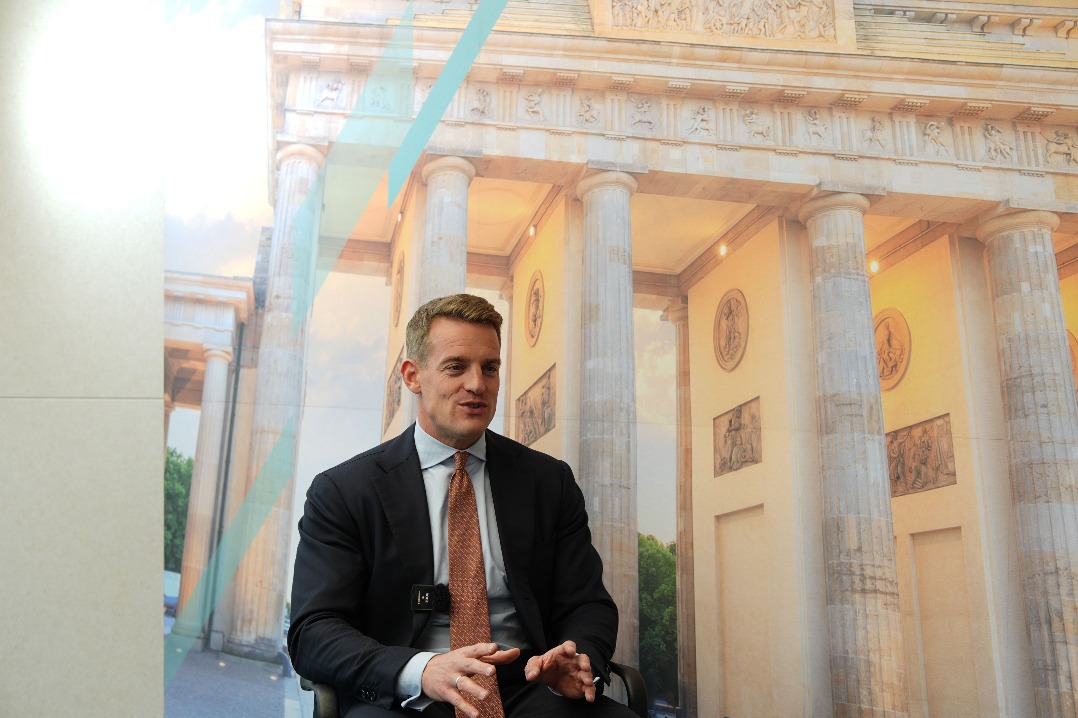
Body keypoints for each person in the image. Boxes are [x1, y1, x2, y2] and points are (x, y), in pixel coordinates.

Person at [289, 294, 634, 718]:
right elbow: (313, 631)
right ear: (413, 376)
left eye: (490, 368)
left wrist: (576, 660)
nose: (477, 384)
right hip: (405, 697)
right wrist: (421, 670)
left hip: (526, 690)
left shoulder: (549, 482)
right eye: (456, 367)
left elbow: (588, 603)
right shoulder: (344, 491)